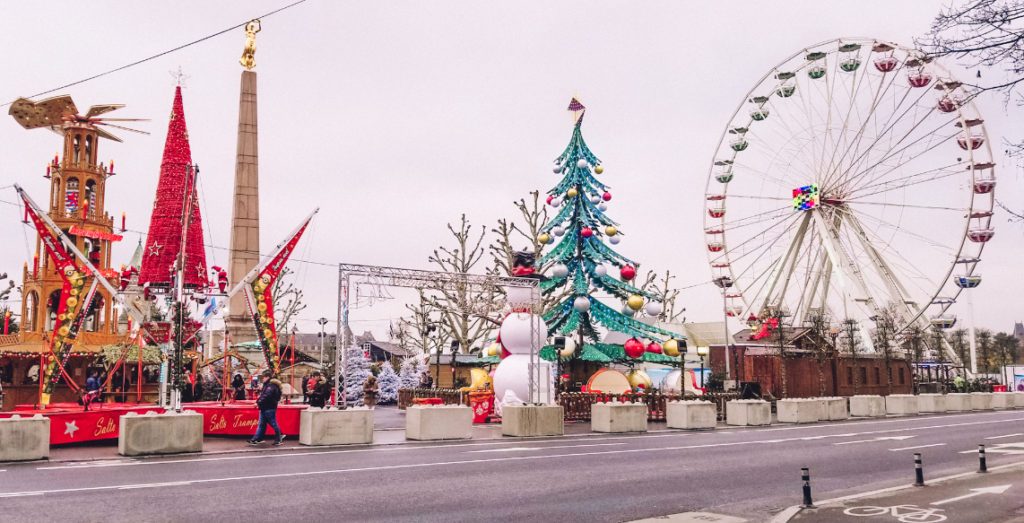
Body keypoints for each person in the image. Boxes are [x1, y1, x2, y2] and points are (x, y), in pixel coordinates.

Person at [248, 370, 285, 446]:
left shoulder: (271, 386)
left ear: (267, 377)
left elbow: (266, 395)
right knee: (262, 424)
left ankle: (279, 437)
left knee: (272, 423)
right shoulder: (268, 385)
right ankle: (257, 439)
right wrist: (258, 401)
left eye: (263, 377)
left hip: (269, 407)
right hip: (265, 407)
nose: (262, 379)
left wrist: (258, 402)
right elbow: (263, 395)